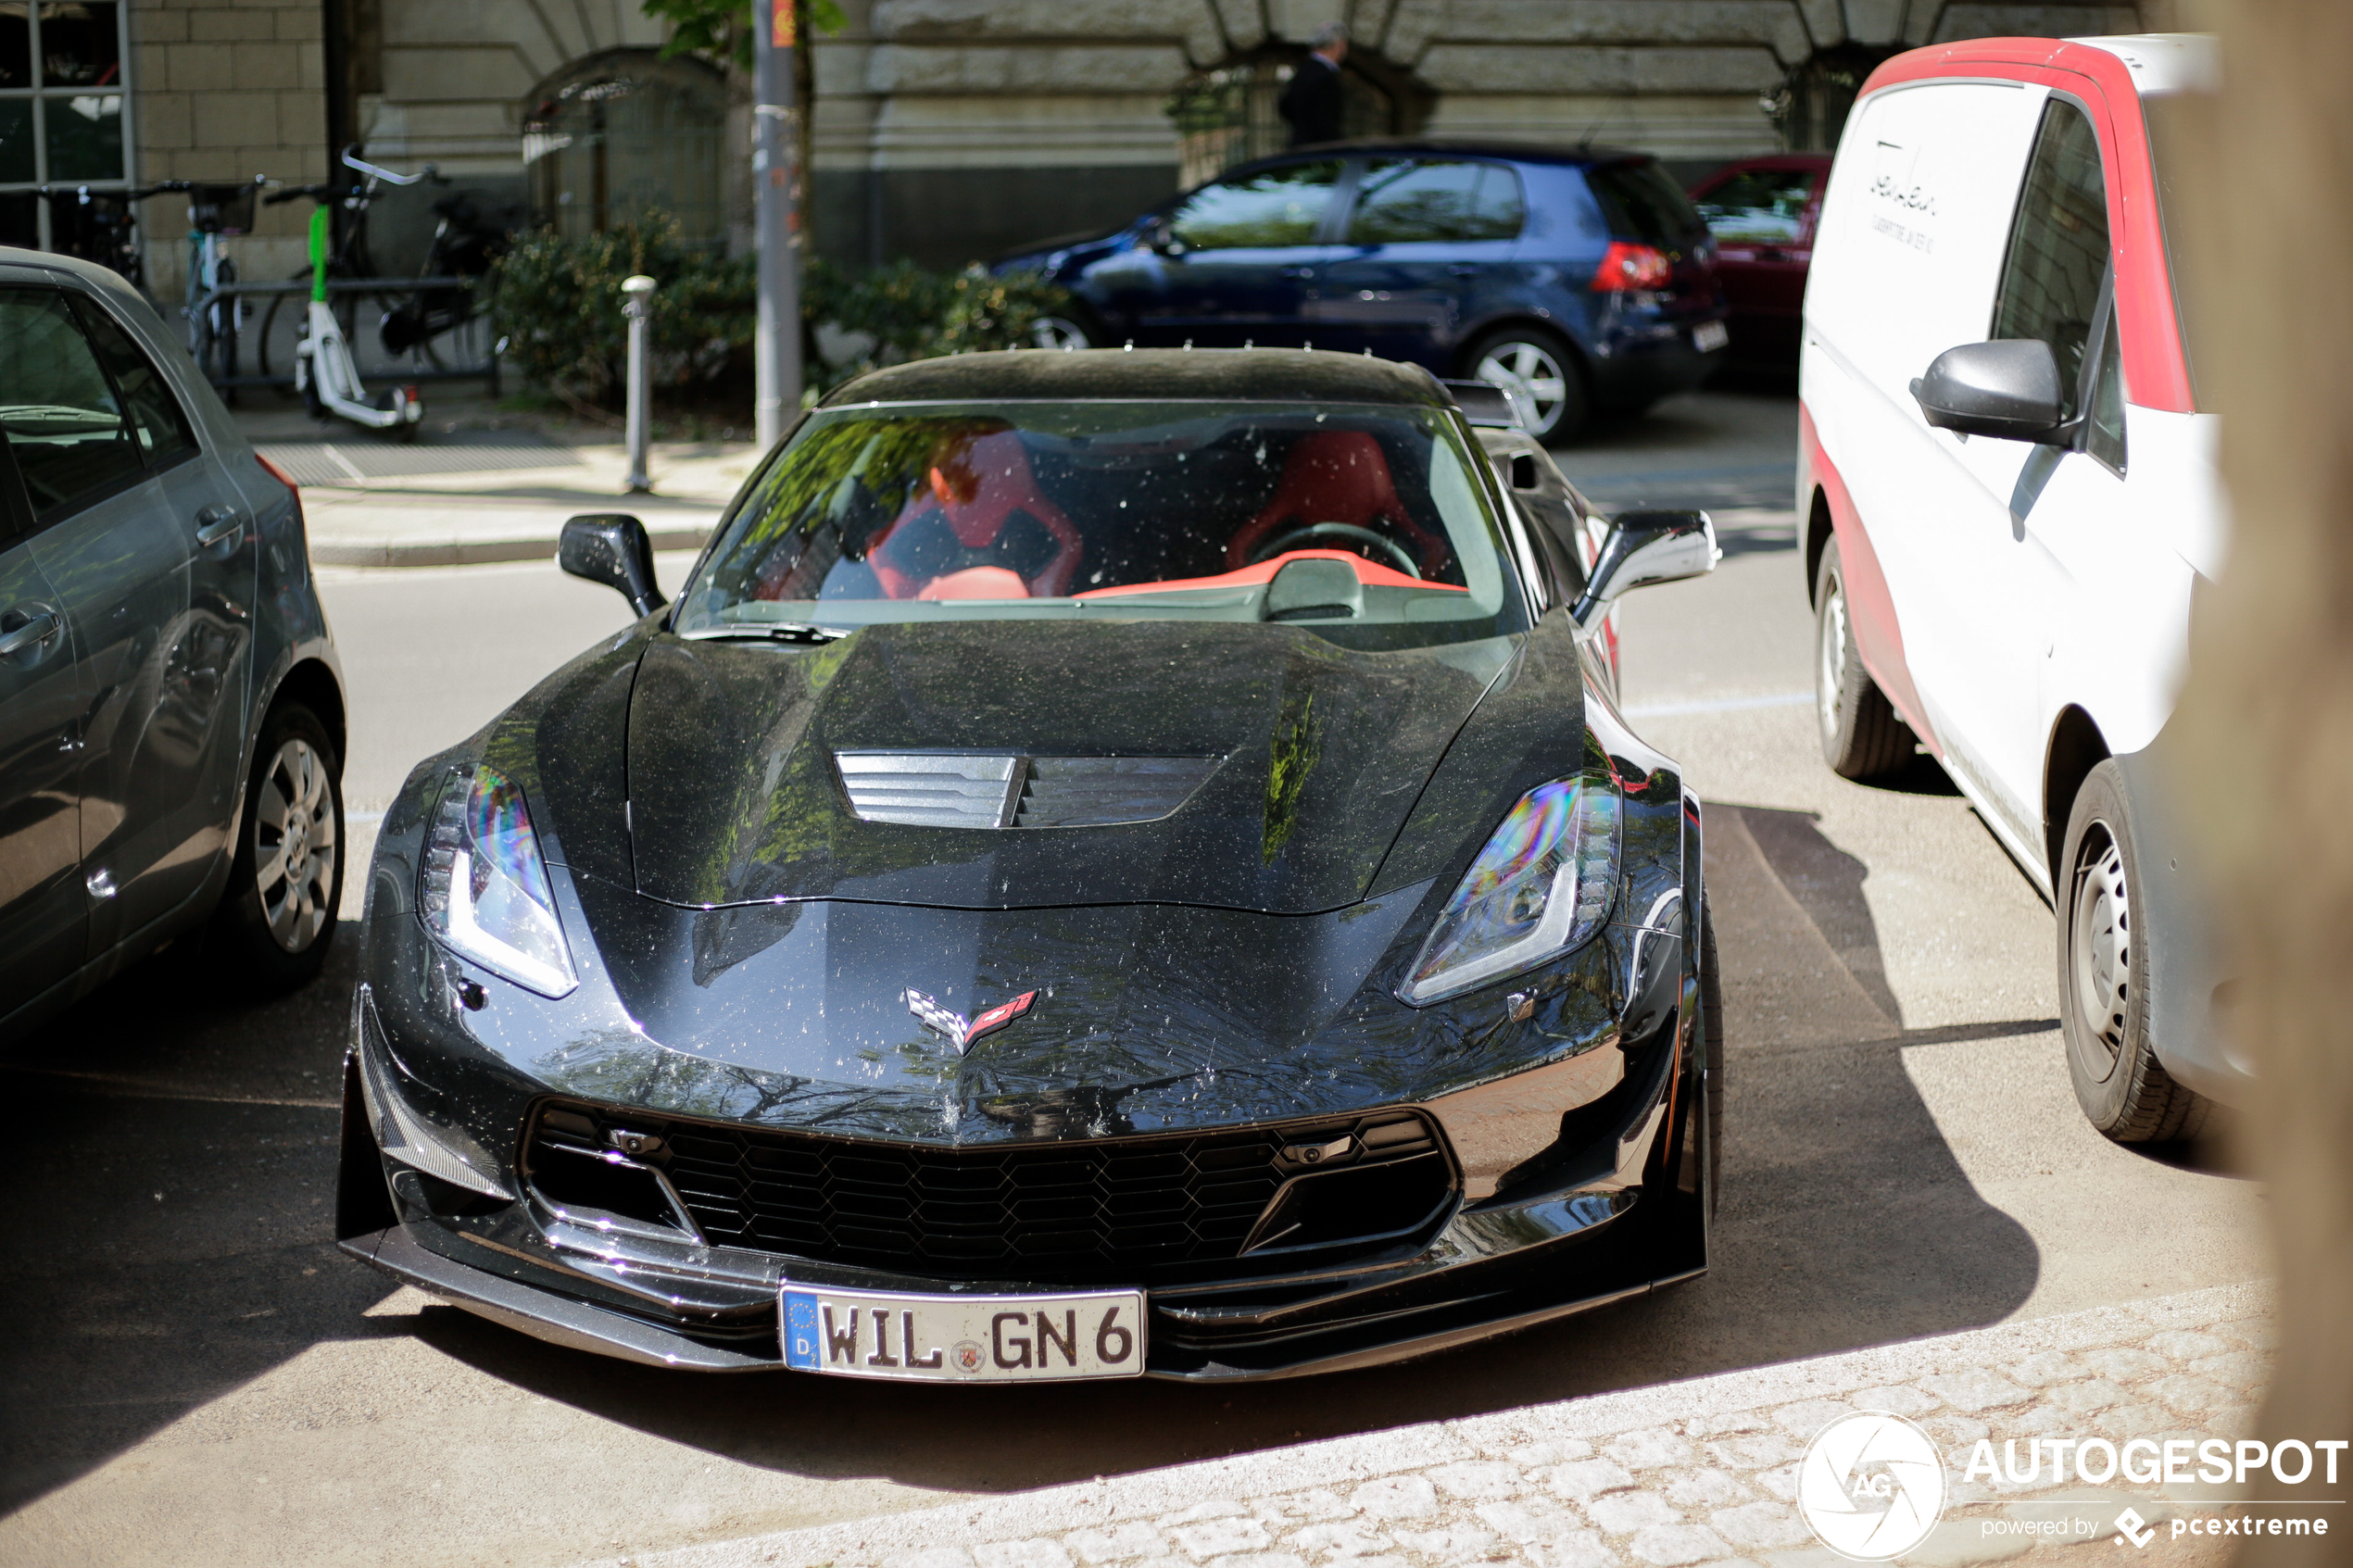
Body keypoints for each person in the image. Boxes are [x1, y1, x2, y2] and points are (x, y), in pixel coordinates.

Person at [1277, 23, 1347, 146]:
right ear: (1337, 46)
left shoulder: (1303, 71)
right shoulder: (1325, 76)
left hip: (1300, 147)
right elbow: (1326, 123)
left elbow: (1285, 105)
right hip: (1319, 151)